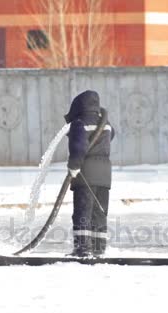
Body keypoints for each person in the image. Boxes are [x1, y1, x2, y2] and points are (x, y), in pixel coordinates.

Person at [64, 90, 114, 257]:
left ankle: (83, 248)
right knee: (99, 212)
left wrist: (74, 167)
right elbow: (111, 135)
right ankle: (99, 247)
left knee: (83, 211)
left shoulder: (79, 123)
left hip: (86, 174)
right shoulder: (105, 123)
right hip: (105, 175)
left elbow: (78, 146)